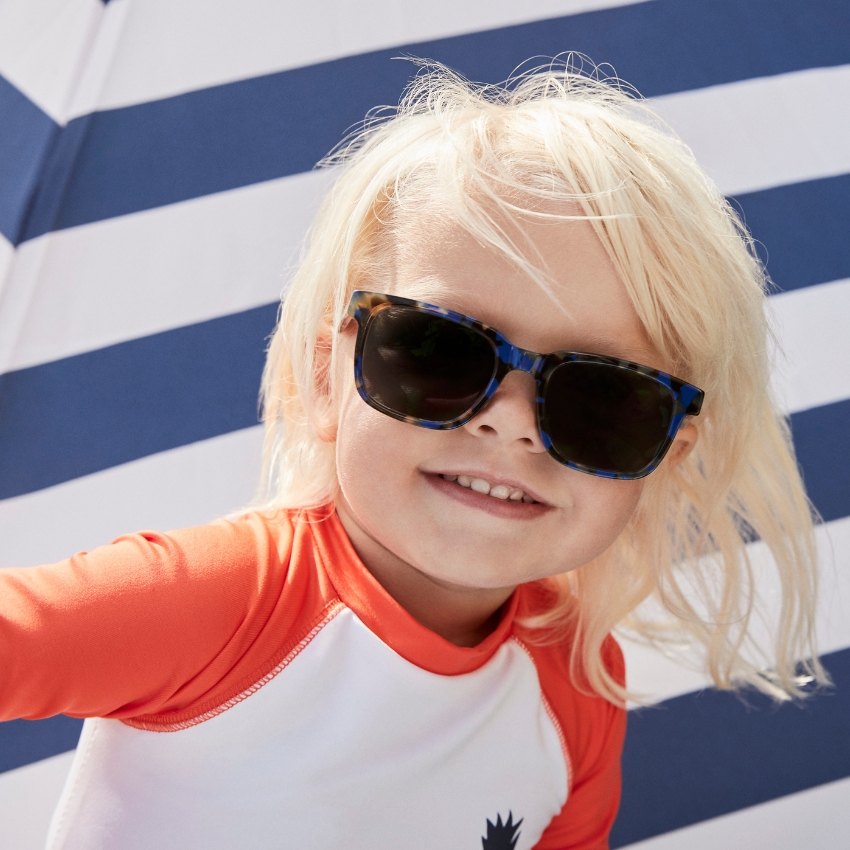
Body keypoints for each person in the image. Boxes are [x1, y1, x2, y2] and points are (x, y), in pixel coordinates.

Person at [0, 60, 826, 850]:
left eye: (601, 397)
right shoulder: (223, 604)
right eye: (438, 351)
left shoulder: (572, 680)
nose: (512, 425)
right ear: (327, 376)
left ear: (664, 455)